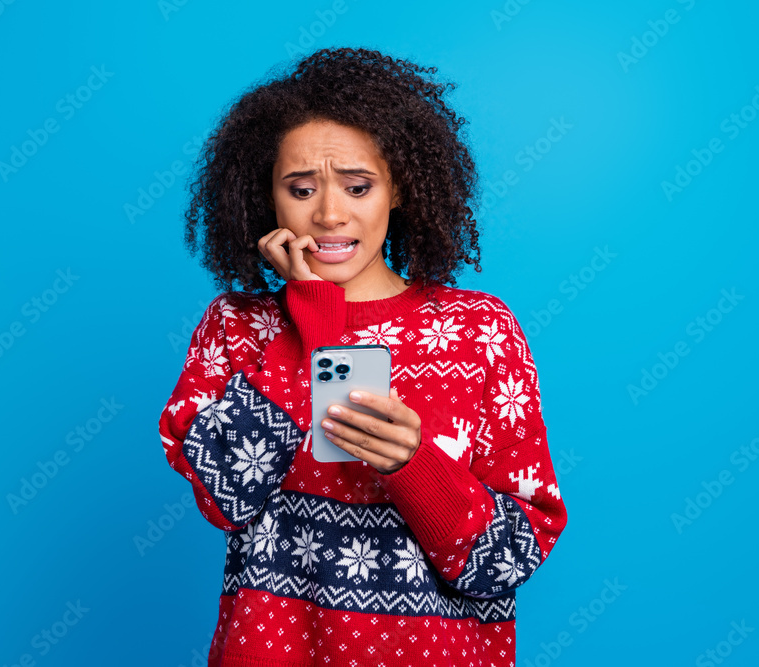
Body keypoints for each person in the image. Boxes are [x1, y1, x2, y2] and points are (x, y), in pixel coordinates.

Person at [158, 46, 568, 667]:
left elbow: (506, 560)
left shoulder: (480, 331)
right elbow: (227, 498)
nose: (328, 214)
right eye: (301, 187)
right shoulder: (236, 329)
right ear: (268, 195)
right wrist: (313, 323)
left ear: (398, 189)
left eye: (357, 185)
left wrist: (415, 464)